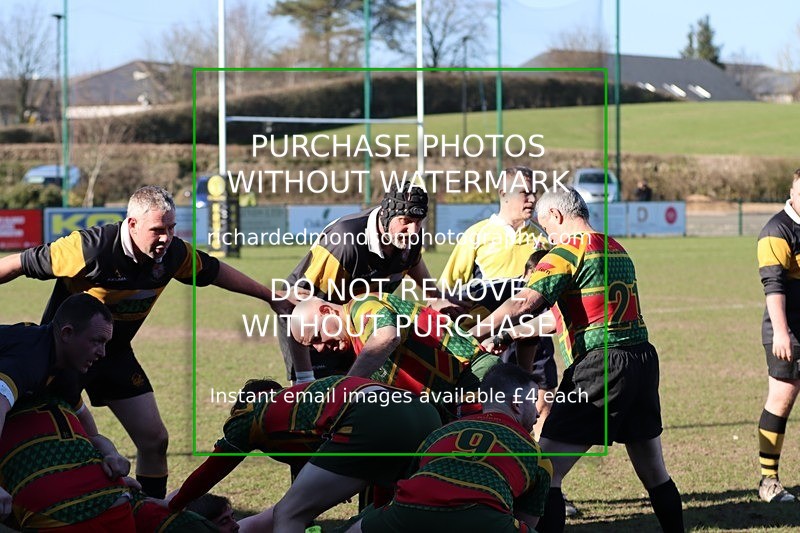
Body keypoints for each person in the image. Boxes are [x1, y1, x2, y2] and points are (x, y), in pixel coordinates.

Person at [0, 185, 287, 499]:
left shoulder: (174, 253)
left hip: (115, 355)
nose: (166, 237)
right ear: (132, 224)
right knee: (57, 442)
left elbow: (214, 271)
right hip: (65, 359)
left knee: (154, 440)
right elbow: (17, 263)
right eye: (158, 230)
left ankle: (150, 514)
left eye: (172, 228)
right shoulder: (89, 249)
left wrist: (270, 296)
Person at [471, 188, 684, 532]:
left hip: (600, 366)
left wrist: (476, 333)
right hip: (641, 361)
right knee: (654, 472)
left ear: (556, 216)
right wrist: (508, 334)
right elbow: (568, 317)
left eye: (545, 228)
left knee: (544, 471)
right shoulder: (615, 247)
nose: (547, 237)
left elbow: (525, 302)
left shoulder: (567, 251)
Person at [167, 375, 441, 531]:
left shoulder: (248, 415)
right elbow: (380, 483)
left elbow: (211, 470)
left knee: (289, 513)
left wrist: (172, 505)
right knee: (396, 509)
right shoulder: (304, 409)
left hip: (372, 416)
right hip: (422, 409)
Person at [279, 180, 456, 384]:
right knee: (321, 394)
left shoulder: (409, 236)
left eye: (419, 221)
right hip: (314, 328)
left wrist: (434, 295)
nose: (414, 230)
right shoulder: (345, 244)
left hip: (352, 326)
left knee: (360, 388)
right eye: (405, 220)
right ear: (386, 214)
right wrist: (304, 378)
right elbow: (298, 306)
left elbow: (411, 261)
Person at [346, 363, 552, 533]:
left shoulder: (440, 433)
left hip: (410, 509)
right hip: (483, 519)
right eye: (533, 402)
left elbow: (404, 482)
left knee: (354, 529)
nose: (536, 413)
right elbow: (525, 520)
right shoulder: (537, 455)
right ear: (516, 404)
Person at [0, 393, 217, 532]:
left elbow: (94, 436)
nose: (101, 352)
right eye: (97, 341)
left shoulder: (58, 379)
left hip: (116, 497)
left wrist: (112, 454)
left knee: (192, 527)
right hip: (61, 515)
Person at [289, 293, 499, 415]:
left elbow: (386, 336)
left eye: (317, 337)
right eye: (312, 346)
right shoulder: (356, 339)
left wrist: (344, 390)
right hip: (454, 394)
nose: (320, 348)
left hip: (475, 377)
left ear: (327, 311)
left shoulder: (362, 307)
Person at [755, 168, 800, 503]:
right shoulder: (776, 230)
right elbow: (774, 287)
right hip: (788, 329)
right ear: (792, 191)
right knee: (782, 398)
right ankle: (768, 480)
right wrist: (781, 334)